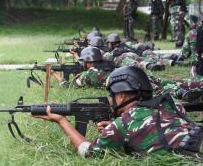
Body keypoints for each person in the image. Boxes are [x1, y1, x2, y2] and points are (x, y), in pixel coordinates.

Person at [33, 66, 203, 159]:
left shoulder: (124, 123)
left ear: (121, 95)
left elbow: (88, 152)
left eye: (112, 95)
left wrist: (62, 121)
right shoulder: (172, 106)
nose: (110, 99)